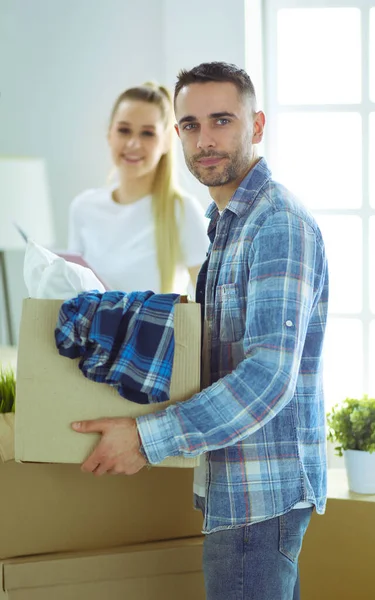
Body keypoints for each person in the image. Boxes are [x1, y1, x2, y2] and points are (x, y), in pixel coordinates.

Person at [72, 62, 329, 600]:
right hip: (236, 486)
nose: (205, 140)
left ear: (256, 126)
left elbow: (267, 377)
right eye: (190, 125)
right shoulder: (229, 226)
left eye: (221, 121)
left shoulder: (276, 223)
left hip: (260, 497)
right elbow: (212, 346)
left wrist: (146, 439)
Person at [68, 82, 208, 294]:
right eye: (124, 130)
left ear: (165, 143)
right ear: (109, 135)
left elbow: (211, 304)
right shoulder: (83, 207)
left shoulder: (182, 210)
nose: (133, 144)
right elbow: (71, 292)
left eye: (147, 133)